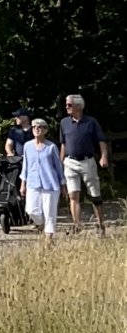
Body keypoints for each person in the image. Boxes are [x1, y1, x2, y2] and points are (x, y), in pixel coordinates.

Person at [62, 95, 108, 234]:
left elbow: (101, 140)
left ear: (78, 106)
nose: (67, 107)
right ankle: (77, 225)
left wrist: (103, 156)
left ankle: (100, 224)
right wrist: (60, 161)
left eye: (69, 105)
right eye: (66, 104)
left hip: (87, 161)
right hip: (70, 161)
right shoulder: (64, 123)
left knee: (94, 194)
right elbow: (63, 143)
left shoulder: (91, 122)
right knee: (73, 195)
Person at [21, 120, 65, 239]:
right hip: (32, 183)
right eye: (34, 126)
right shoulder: (27, 146)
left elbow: (58, 167)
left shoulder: (51, 147)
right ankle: (41, 224)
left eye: (40, 127)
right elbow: (25, 166)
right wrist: (22, 184)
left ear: (45, 130)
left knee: (50, 212)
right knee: (31, 210)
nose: (36, 129)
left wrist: (62, 184)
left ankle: (48, 240)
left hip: (50, 184)